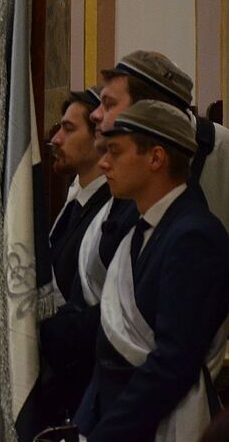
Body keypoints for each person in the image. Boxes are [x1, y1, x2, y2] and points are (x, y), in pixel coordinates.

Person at [76, 100, 229, 442]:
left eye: (115, 151)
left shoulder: (194, 236)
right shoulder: (145, 228)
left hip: (157, 426)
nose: (103, 163)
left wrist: (108, 434)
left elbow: (173, 363)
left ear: (156, 158)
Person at [90, 50, 229, 230]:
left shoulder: (222, 149)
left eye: (109, 104)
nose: (94, 115)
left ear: (150, 110)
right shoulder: (118, 165)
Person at [38, 89, 111, 423]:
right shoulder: (75, 203)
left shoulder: (111, 212)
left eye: (68, 129)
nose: (55, 139)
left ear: (100, 136)